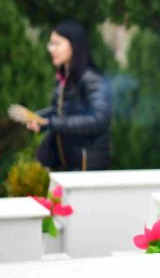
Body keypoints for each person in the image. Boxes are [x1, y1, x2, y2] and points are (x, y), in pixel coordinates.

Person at [29, 20, 112, 171]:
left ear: (74, 44)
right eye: (50, 44)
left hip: (86, 164)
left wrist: (52, 123)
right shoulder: (64, 77)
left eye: (57, 43)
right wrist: (40, 119)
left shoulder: (91, 79)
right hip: (66, 161)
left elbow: (99, 120)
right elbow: (59, 110)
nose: (52, 49)